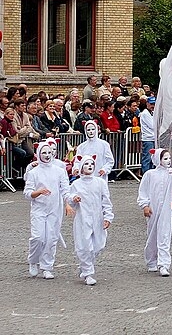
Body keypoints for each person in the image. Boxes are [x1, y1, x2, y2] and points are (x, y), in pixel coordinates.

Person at [24, 141, 73, 279]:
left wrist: (68, 203)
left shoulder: (59, 171)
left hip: (54, 209)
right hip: (38, 209)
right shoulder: (34, 173)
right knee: (38, 237)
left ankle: (47, 266)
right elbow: (27, 193)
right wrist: (38, 192)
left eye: (49, 153)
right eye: (43, 153)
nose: (46, 155)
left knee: (51, 238)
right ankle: (33, 261)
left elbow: (65, 189)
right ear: (38, 154)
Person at [68, 154, 114, 285]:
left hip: (97, 217)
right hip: (83, 218)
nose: (89, 166)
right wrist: (74, 199)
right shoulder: (76, 184)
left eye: (92, 164)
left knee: (98, 245)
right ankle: (88, 272)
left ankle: (85, 266)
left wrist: (108, 217)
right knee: (84, 245)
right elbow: (70, 200)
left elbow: (106, 201)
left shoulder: (100, 182)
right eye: (86, 164)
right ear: (81, 167)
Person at [137, 148, 172, 276]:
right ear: (158, 160)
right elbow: (143, 191)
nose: (168, 161)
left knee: (164, 235)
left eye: (169, 158)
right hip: (153, 209)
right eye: (165, 158)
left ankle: (164, 264)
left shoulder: (170, 174)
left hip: (166, 210)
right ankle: (151, 261)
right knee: (152, 235)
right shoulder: (150, 174)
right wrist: (145, 205)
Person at [1, 106, 34, 171]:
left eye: (13, 114)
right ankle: (15, 168)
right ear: (6, 114)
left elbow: (14, 132)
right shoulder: (4, 122)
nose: (12, 116)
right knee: (22, 153)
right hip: (8, 144)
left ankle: (18, 168)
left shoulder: (10, 122)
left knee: (28, 153)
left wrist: (17, 131)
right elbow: (9, 133)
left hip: (14, 142)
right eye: (10, 114)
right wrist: (24, 128)